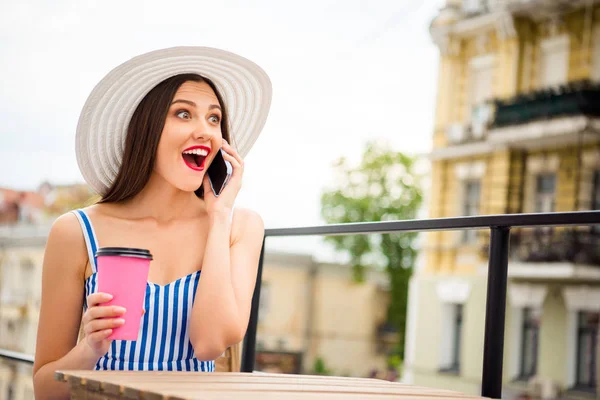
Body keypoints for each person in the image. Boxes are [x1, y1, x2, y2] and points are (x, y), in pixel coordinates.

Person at [32, 47, 272, 398]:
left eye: (214, 118)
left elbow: (208, 345)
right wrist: (90, 349)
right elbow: (43, 390)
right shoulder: (76, 232)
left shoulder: (240, 228)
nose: (205, 131)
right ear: (146, 127)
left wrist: (218, 217)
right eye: (183, 113)